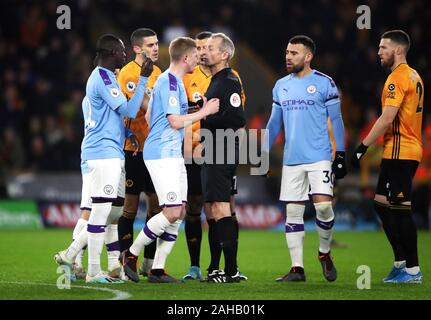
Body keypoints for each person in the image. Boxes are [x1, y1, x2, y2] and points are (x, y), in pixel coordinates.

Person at [54, 34, 154, 283]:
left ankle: (89, 260)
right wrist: (142, 78)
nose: (125, 56)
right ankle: (91, 271)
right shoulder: (102, 77)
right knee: (98, 212)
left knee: (114, 212)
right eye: (122, 51)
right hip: (102, 154)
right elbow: (131, 110)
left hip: (112, 151)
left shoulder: (106, 78)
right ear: (111, 52)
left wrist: (127, 132)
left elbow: (112, 117)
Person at [120, 37, 219, 283]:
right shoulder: (172, 83)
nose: (199, 58)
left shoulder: (166, 80)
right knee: (173, 211)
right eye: (196, 55)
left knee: (180, 211)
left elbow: (156, 113)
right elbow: (174, 121)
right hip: (163, 154)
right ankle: (131, 255)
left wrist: (195, 111)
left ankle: (157, 269)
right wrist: (205, 113)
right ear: (185, 58)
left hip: (171, 153)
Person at [263, 35, 347, 282]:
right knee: (293, 213)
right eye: (287, 52)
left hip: (319, 156)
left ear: (308, 56)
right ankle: (297, 268)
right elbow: (274, 123)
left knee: (323, 206)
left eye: (294, 53)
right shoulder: (280, 85)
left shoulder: (325, 83)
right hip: (291, 159)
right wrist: (262, 154)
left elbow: (337, 120)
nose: (288, 57)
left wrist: (340, 153)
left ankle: (324, 253)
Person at [351, 30, 424, 283]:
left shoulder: (397, 77)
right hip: (401, 150)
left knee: (400, 210)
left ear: (399, 50)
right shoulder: (414, 75)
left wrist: (361, 148)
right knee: (381, 205)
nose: (378, 52)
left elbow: (386, 119)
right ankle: (401, 263)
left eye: (383, 48)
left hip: (400, 151)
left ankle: (412, 270)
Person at [181, 31, 247, 281]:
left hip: (221, 148)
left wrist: (207, 116)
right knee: (211, 208)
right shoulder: (217, 80)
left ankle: (230, 271)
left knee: (220, 208)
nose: (204, 51)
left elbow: (238, 117)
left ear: (224, 54)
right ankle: (217, 268)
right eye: (203, 47)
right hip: (213, 148)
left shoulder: (229, 80)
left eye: (210, 47)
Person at [116, 28, 164, 280]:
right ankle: (126, 260)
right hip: (133, 149)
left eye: (157, 44)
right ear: (137, 49)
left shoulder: (157, 72)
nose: (156, 48)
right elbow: (144, 107)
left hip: (154, 150)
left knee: (156, 207)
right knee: (131, 207)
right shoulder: (128, 74)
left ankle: (148, 262)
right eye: (150, 45)